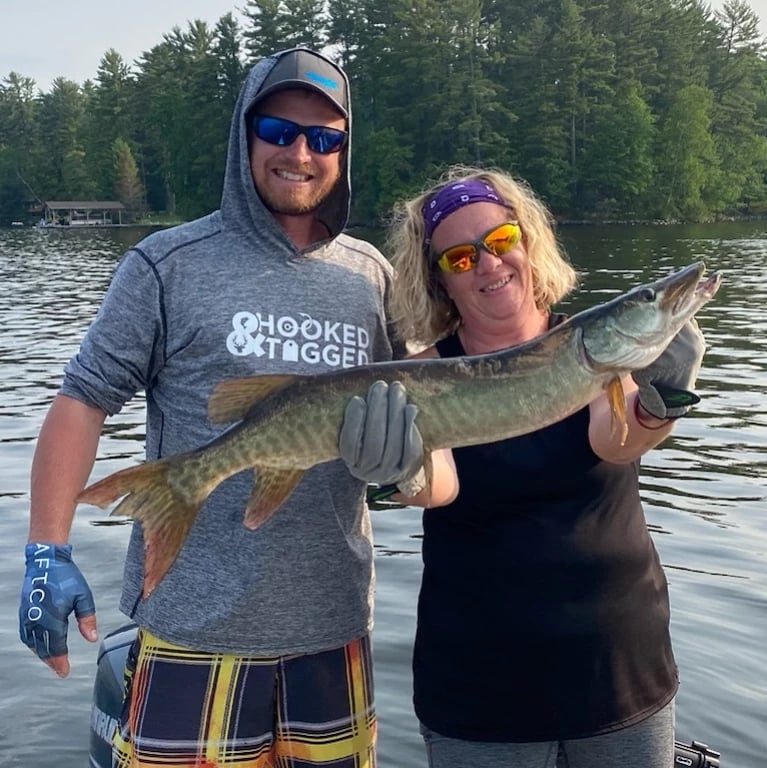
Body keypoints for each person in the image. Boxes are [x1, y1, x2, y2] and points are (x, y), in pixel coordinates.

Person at [18, 47, 423, 768]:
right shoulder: (167, 263)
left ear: (343, 152)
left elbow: (421, 419)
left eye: (325, 139)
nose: (301, 153)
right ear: (245, 135)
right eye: (280, 130)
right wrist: (47, 551)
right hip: (192, 631)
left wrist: (405, 472)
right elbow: (83, 399)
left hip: (332, 629)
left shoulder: (372, 275)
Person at [385, 165, 707, 768]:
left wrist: (662, 402)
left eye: (501, 241)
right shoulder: (422, 374)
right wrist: (403, 466)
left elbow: (616, 442)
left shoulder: (593, 350)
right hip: (480, 692)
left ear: (527, 242)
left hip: (619, 672)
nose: (488, 264)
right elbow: (440, 487)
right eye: (460, 258)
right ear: (438, 281)